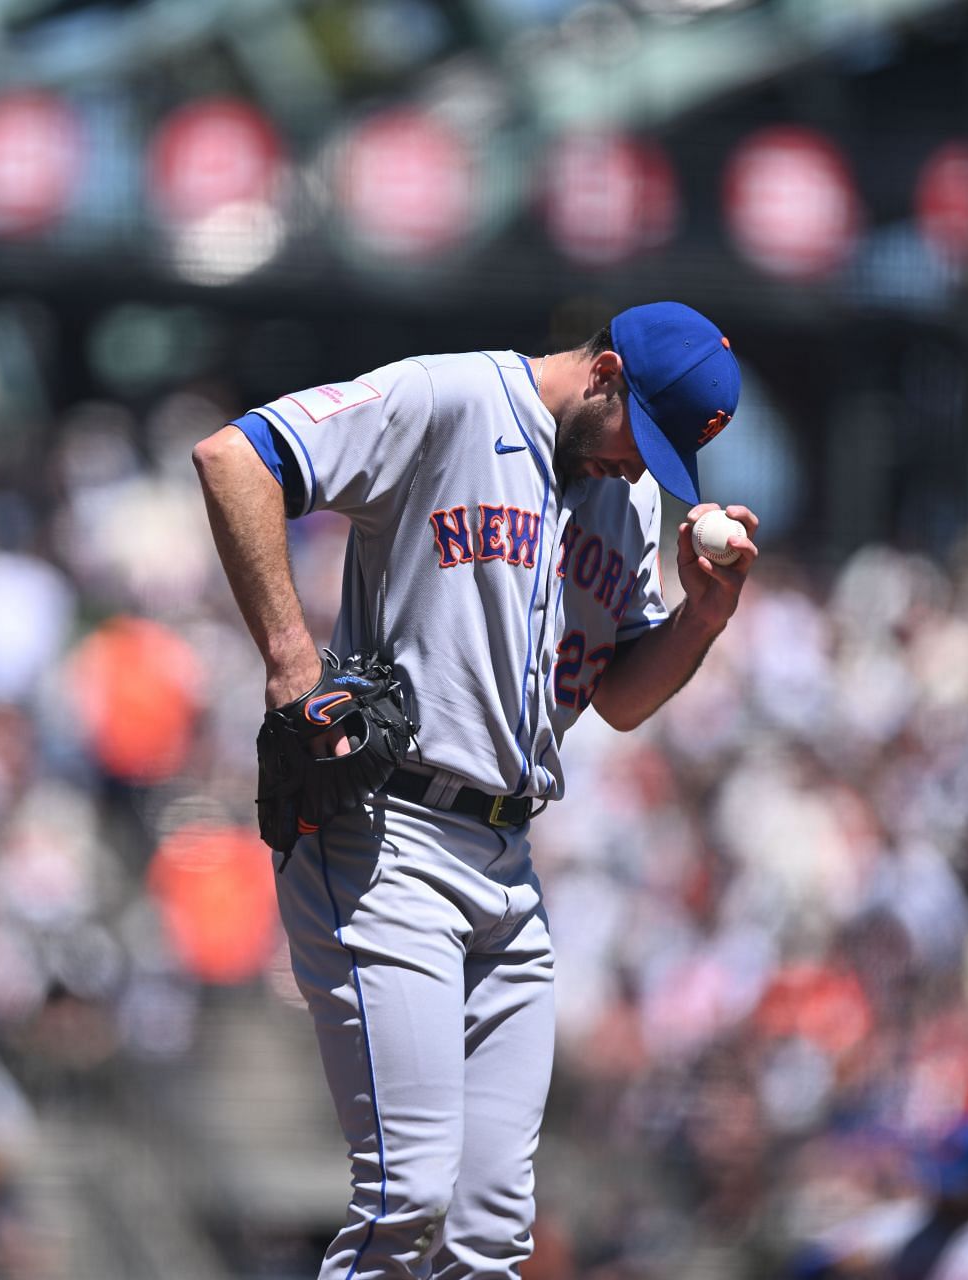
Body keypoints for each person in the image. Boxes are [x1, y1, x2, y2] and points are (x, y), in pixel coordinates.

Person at [191, 302, 760, 1280]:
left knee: (491, 1231)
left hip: (511, 863)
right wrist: (291, 659)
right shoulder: (454, 397)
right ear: (606, 372)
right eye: (643, 437)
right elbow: (236, 457)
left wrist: (700, 622)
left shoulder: (628, 502)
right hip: (388, 835)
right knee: (407, 1193)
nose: (640, 467)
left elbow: (620, 699)